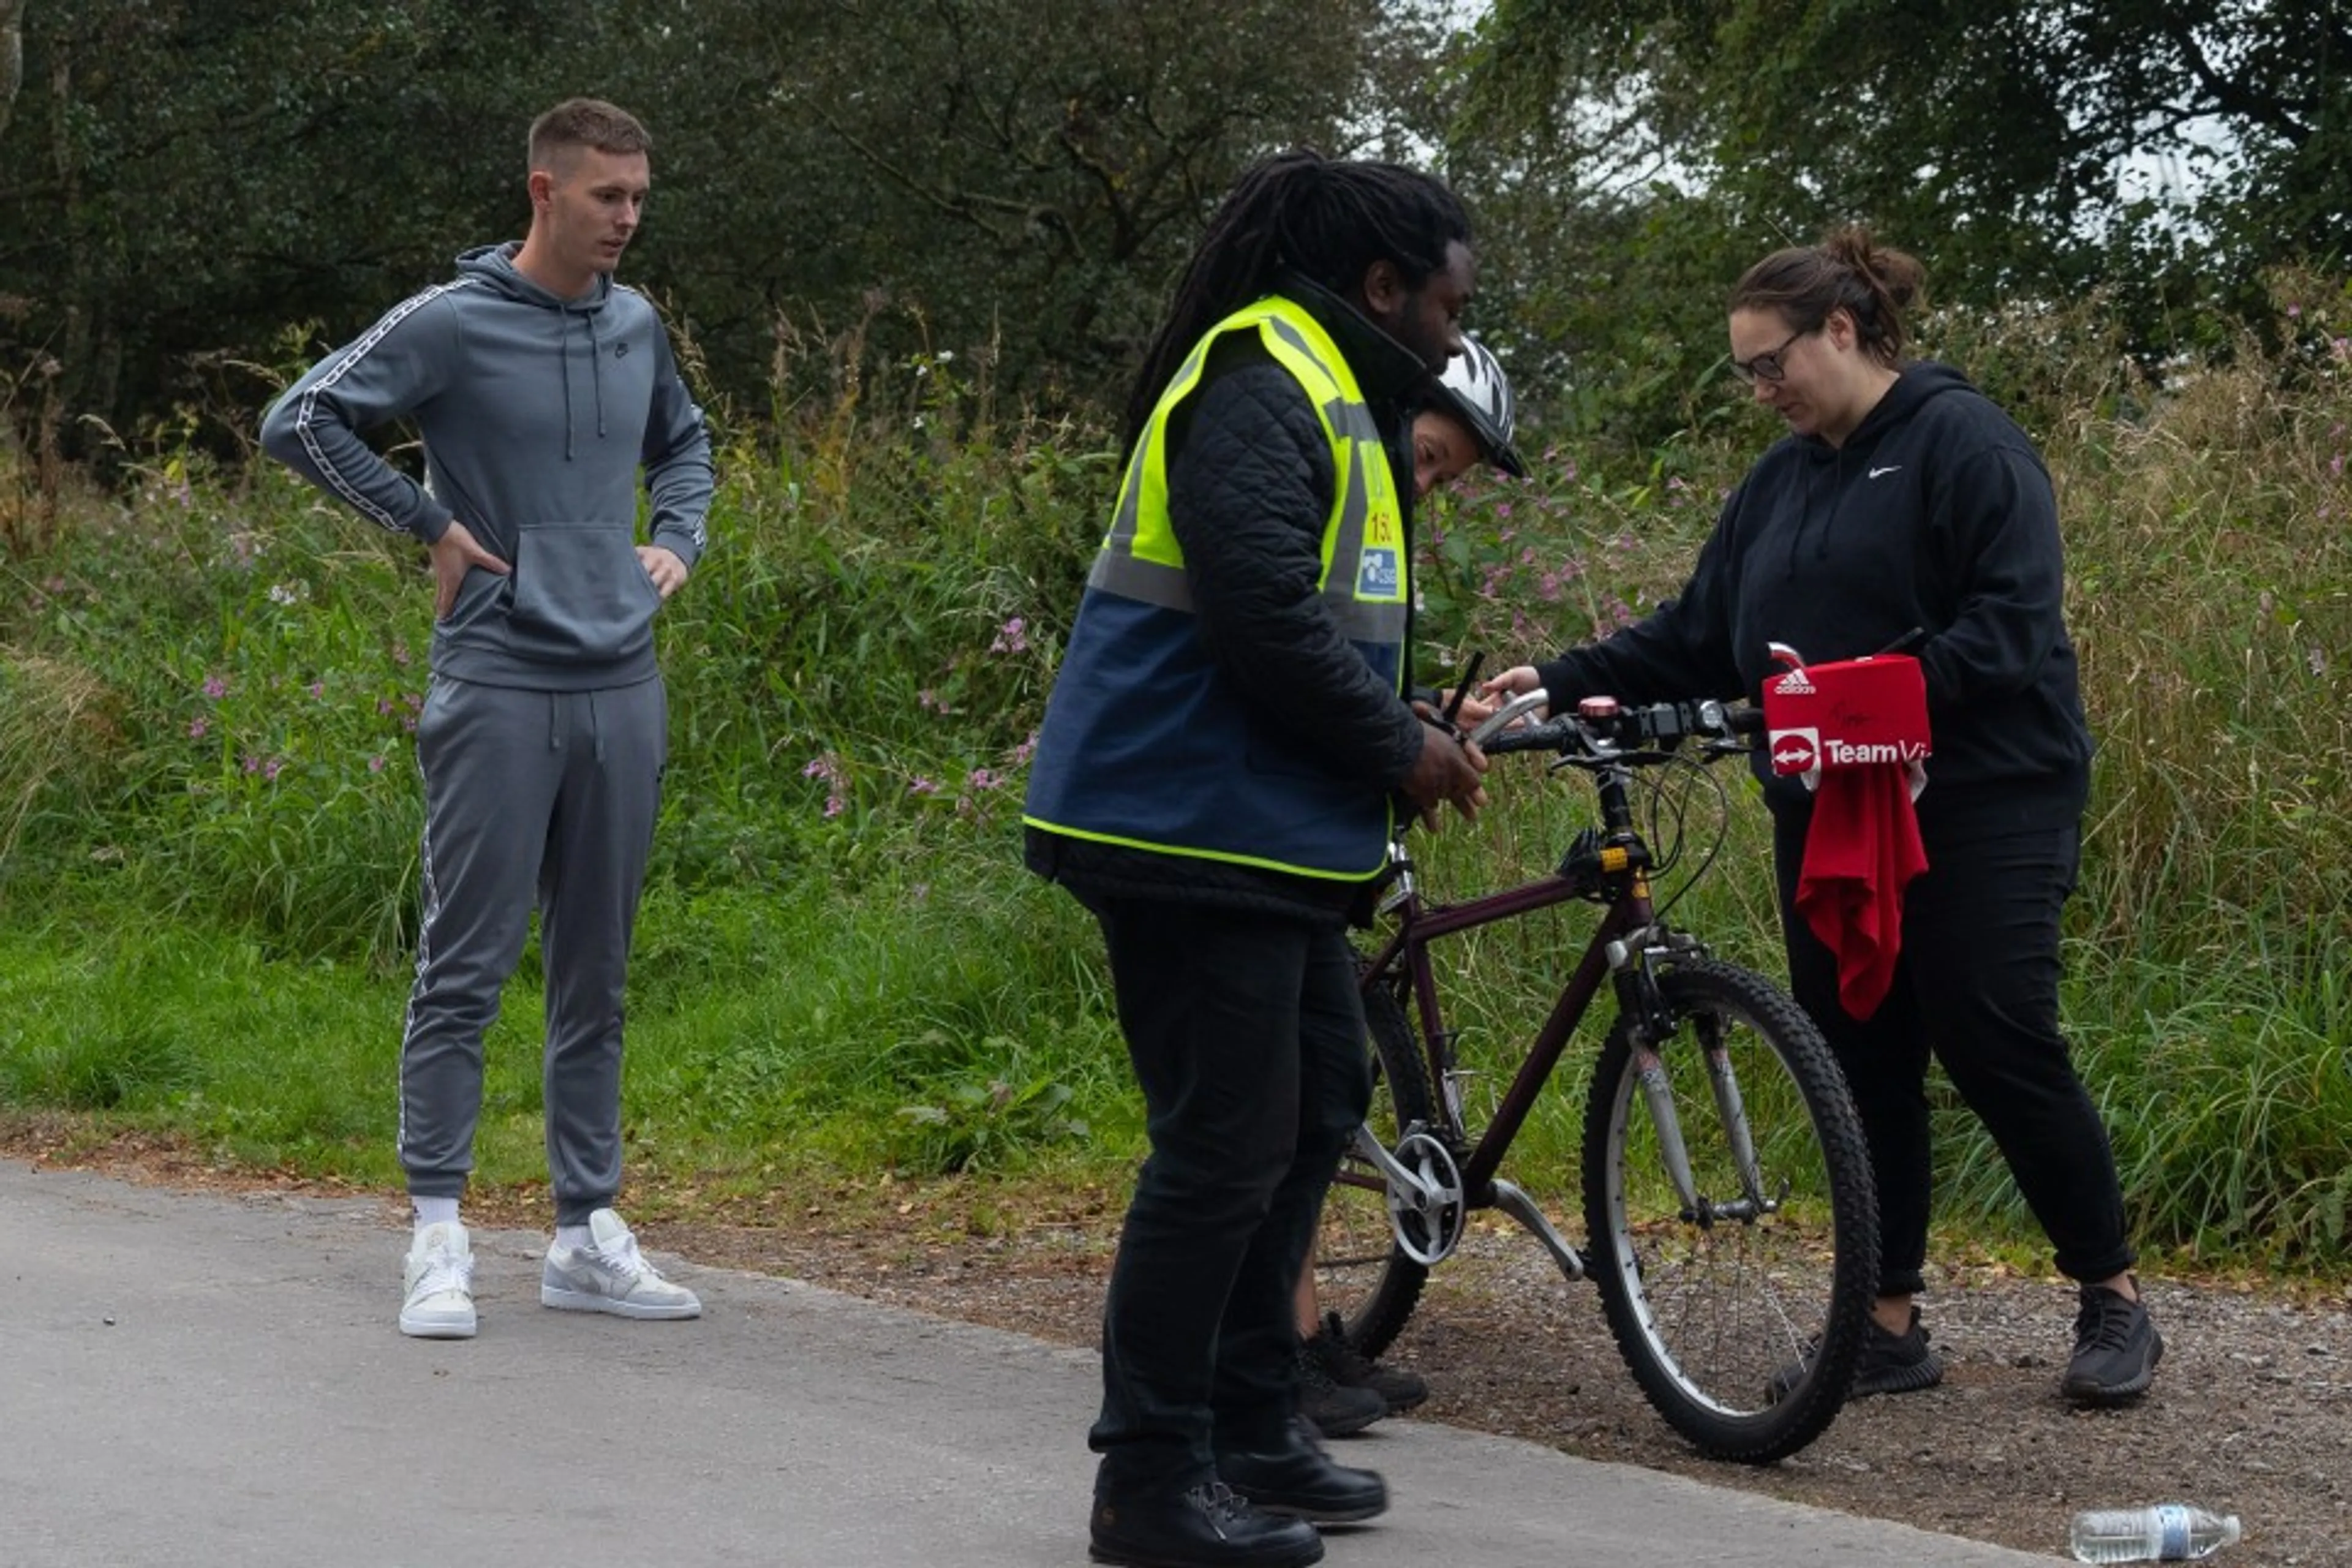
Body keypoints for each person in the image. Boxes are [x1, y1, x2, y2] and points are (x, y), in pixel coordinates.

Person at [1479, 227, 2161, 1408]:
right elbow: (1695, 634)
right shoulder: (1777, 483)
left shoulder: (1969, 444)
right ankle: (1890, 1325)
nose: (1761, 389)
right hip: (1827, 806)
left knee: (1995, 1034)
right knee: (1861, 1044)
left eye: (1771, 362)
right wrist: (1553, 673)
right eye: (1746, 372)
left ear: (1843, 330)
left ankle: (2114, 1298)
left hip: (1984, 798)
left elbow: (2009, 631)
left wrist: (1853, 702)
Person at [1022, 149, 1490, 1568]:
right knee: (1222, 1143)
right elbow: (1260, 618)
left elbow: (1317, 622)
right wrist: (1400, 751)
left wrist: (1395, 717)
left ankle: (1253, 1414)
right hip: (1175, 822)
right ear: (1383, 286)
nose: (1459, 339)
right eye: (1451, 306)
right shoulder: (1262, 375)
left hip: (1258, 825)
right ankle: (1151, 1481)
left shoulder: (1334, 384)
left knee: (1313, 1104)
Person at [259, 98, 713, 1340]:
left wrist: (677, 541)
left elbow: (687, 442)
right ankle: (439, 1232)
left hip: (623, 683)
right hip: (499, 679)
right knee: (464, 966)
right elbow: (298, 418)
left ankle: (585, 1231)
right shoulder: (455, 320)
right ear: (543, 192)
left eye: (639, 196)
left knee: (597, 974)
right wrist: (426, 523)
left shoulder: (637, 326)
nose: (627, 218)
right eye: (607, 196)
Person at [1293, 336, 1526, 1439]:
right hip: (1257, 837)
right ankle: (1263, 1359)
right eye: (1428, 457)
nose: (1426, 487)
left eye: (1445, 477)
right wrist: (1407, 737)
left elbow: (1351, 662)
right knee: (1293, 1101)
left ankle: (1288, 1344)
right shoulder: (1320, 473)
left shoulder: (1373, 516)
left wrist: (1432, 708)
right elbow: (1287, 650)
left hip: (1321, 824)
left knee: (1311, 1090)